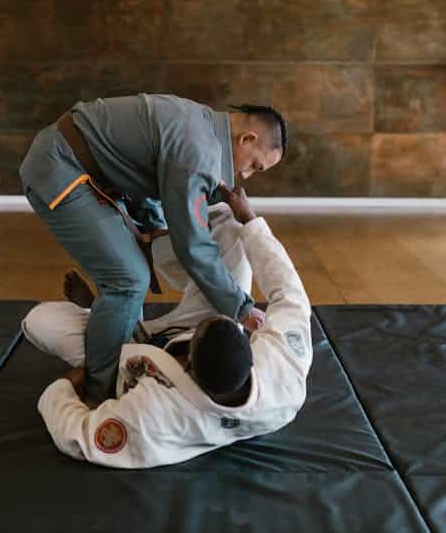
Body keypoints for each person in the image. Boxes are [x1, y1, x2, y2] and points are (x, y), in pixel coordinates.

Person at [19, 94, 286, 403]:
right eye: (255, 165)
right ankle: (98, 393)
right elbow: (192, 244)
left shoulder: (201, 125)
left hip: (82, 167)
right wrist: (241, 307)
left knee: (132, 280)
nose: (246, 175)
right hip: (61, 166)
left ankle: (105, 315)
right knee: (130, 280)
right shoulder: (199, 152)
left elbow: (144, 175)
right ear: (247, 138)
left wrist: (151, 225)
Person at [22, 186, 312, 468]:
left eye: (196, 335)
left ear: (187, 364)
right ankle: (155, 241)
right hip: (194, 339)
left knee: (39, 322)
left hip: (125, 353)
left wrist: (67, 386)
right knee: (227, 220)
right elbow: (290, 295)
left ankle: (102, 310)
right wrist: (251, 221)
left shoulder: (157, 415)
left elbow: (79, 437)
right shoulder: (282, 380)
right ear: (251, 355)